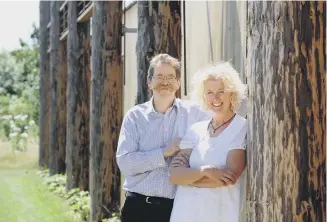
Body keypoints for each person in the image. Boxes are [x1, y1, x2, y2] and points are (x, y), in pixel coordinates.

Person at [116, 53, 210, 222]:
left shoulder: (195, 113)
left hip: (180, 209)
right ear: (149, 81)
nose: (165, 82)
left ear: (178, 82)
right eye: (159, 76)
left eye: (170, 77)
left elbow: (224, 112)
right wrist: (164, 153)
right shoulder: (135, 117)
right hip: (139, 209)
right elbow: (126, 163)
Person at [169, 62, 247, 222]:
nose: (215, 97)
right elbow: (174, 175)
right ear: (203, 96)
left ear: (231, 93)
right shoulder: (196, 129)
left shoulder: (241, 127)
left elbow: (229, 177)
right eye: (209, 92)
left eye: (221, 91)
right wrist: (205, 171)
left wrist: (188, 178)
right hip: (184, 214)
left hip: (218, 215)